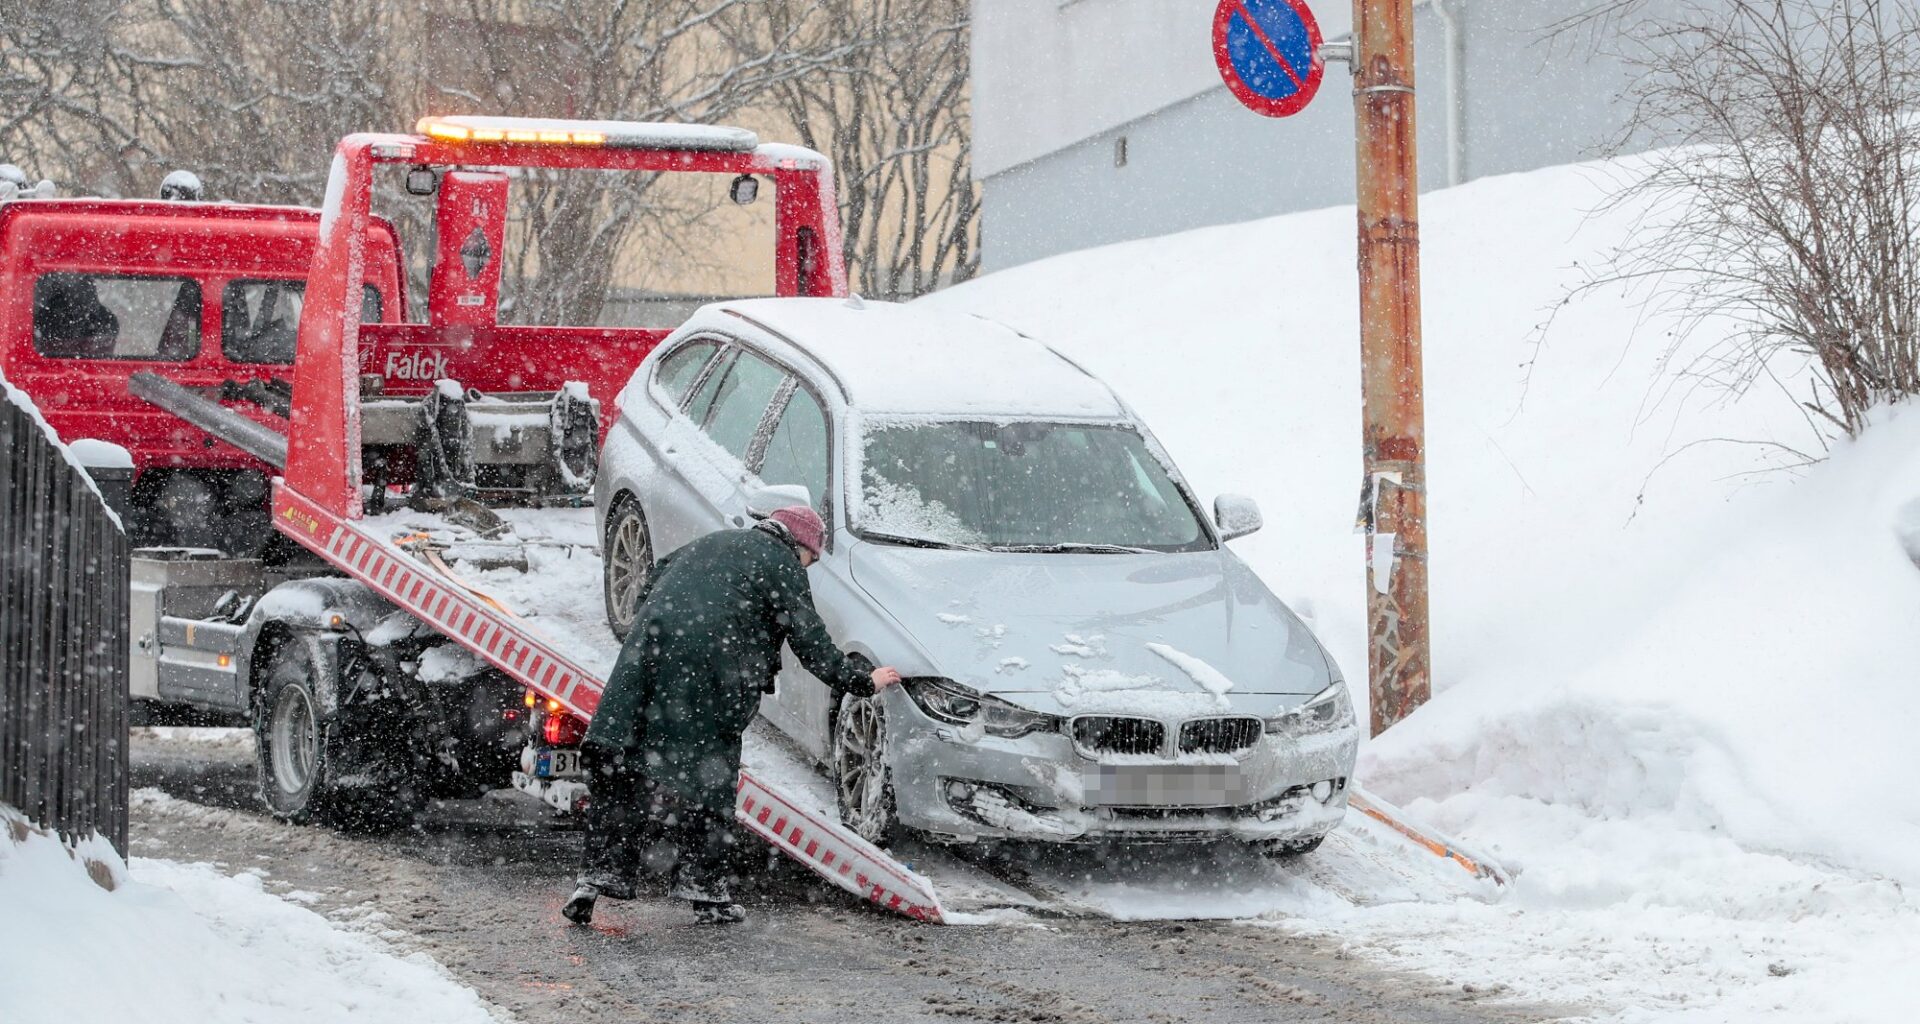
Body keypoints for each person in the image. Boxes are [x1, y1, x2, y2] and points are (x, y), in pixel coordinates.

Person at [562, 505, 901, 926]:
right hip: (709, 676)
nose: (808, 568)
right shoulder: (781, 563)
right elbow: (811, 643)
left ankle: (593, 882)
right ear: (801, 546)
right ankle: (705, 893)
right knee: (707, 782)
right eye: (811, 560)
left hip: (645, 661)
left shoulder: (710, 543)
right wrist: (864, 680)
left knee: (625, 771)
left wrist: (668, 629)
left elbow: (652, 579)